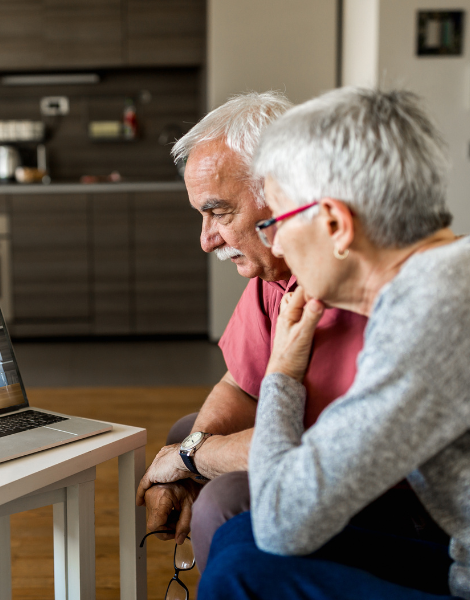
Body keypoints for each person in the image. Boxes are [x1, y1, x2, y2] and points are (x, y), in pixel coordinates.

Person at [199, 88, 467, 599]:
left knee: (243, 571)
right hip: (457, 556)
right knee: (239, 537)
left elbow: (283, 517)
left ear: (336, 225)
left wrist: (281, 375)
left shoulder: (428, 316)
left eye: (276, 220)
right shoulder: (447, 275)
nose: (273, 243)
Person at [134, 92, 369, 569]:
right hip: (305, 451)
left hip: (361, 480)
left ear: (281, 192)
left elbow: (313, 452)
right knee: (186, 431)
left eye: (219, 213)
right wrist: (187, 455)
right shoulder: (275, 273)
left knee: (219, 493)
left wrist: (189, 457)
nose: (205, 240)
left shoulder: (356, 282)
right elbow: (241, 382)